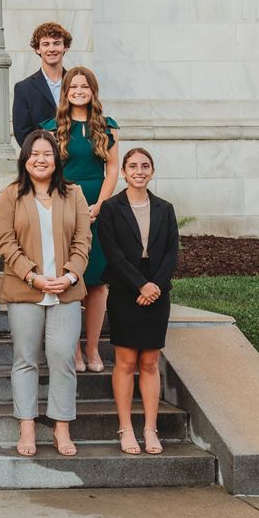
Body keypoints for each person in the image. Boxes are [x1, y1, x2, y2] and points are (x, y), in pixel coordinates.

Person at [0, 129, 92, 458]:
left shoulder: (74, 194)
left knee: (63, 357)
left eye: (47, 153)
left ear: (56, 158)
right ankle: (28, 426)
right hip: (26, 289)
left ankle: (62, 427)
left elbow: (82, 241)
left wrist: (70, 274)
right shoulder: (11, 195)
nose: (40, 159)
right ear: (25, 158)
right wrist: (33, 276)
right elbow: (5, 242)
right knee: (25, 359)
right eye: (34, 153)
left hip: (66, 290)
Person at [98, 148, 179, 456]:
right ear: (124, 172)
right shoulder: (111, 208)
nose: (139, 170)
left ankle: (150, 428)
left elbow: (172, 251)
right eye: (133, 165)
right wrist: (140, 285)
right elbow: (113, 253)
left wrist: (155, 285)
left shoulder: (165, 208)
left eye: (145, 166)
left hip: (157, 290)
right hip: (124, 289)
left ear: (152, 171)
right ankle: (126, 427)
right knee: (126, 361)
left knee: (149, 362)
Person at [41, 66, 119, 374]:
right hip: (63, 205)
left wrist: (100, 204)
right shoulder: (52, 127)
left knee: (97, 282)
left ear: (92, 91)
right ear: (66, 91)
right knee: (69, 278)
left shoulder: (106, 127)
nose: (79, 91)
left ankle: (92, 348)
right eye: (73, 86)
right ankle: (72, 350)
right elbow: (46, 168)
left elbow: (112, 169)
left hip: (98, 207)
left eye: (84, 86)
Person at [11, 21, 71, 147]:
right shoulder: (23, 88)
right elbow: (22, 132)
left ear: (65, 47)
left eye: (57, 43)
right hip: (42, 160)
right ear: (38, 49)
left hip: (75, 158)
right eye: (45, 44)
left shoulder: (77, 83)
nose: (51, 49)